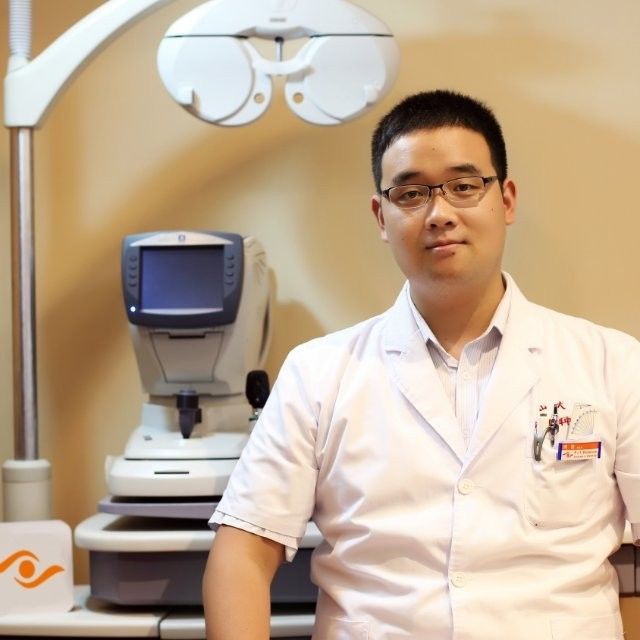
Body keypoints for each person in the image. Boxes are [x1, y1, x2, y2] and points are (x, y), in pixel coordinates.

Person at [202, 90, 640, 639]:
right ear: (381, 216)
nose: (440, 214)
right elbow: (242, 552)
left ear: (506, 200)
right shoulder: (318, 373)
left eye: (464, 186)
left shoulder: (613, 363)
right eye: (410, 194)